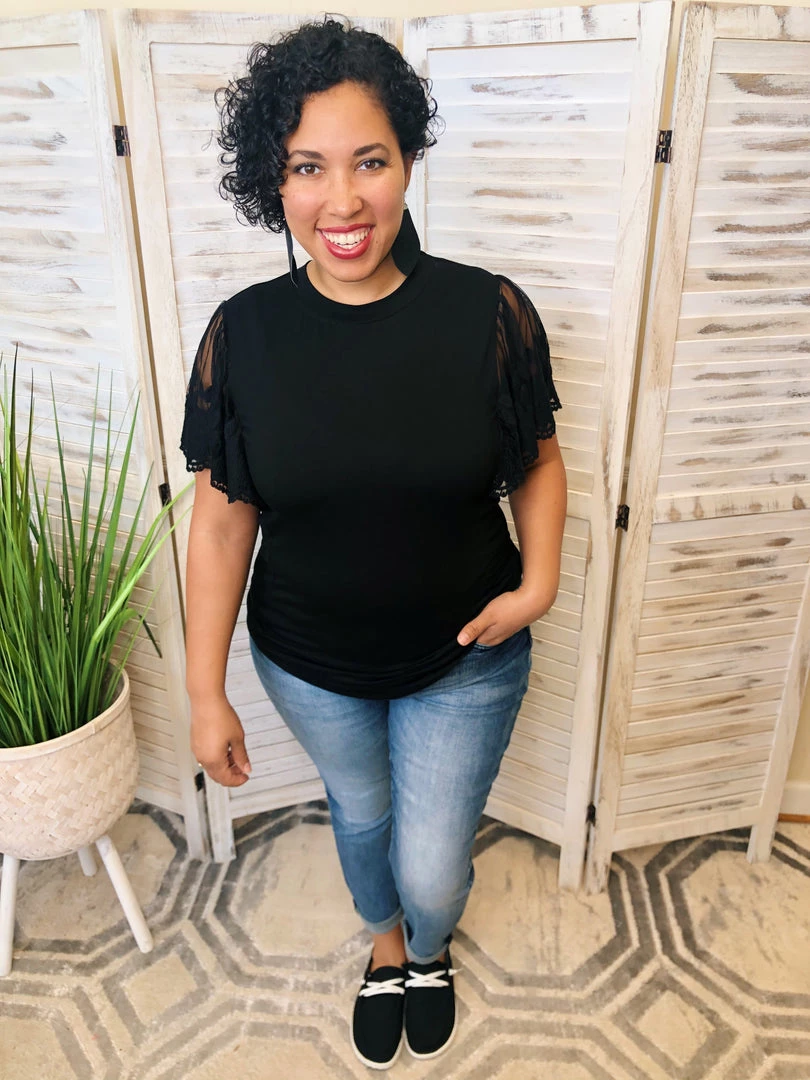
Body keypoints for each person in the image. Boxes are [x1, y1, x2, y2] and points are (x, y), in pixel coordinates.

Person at [181, 16, 566, 1071]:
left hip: (467, 654)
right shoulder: (244, 334)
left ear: (407, 160)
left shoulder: (490, 312)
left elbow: (536, 461)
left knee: (433, 859)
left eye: (369, 161)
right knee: (361, 815)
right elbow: (222, 517)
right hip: (309, 664)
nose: (342, 201)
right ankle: (387, 949)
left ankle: (429, 942)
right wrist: (206, 691)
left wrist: (538, 586)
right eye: (308, 167)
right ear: (274, 179)